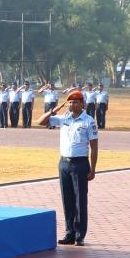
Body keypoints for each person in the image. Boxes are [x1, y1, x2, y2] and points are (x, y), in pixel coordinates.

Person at [36, 87, 99, 246]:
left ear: (82, 104)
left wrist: (93, 168)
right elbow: (40, 122)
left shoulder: (88, 121)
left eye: (75, 102)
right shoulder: (64, 118)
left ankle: (79, 234)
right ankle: (69, 232)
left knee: (80, 200)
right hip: (64, 163)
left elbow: (94, 147)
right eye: (70, 102)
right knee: (67, 199)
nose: (72, 105)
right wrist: (53, 110)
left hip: (80, 163)